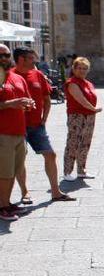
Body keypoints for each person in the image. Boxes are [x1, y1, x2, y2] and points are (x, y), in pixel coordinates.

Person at [11, 47, 74, 204]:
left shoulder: (38, 74)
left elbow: (46, 98)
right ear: (21, 59)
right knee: (20, 159)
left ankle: (55, 191)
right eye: (32, 58)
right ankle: (25, 192)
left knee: (50, 154)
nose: (36, 61)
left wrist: (44, 118)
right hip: (16, 126)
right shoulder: (9, 76)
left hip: (37, 125)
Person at [0, 44, 36, 221]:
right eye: (1, 55)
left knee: (14, 171)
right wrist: (9, 104)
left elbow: (27, 99)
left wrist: (29, 104)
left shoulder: (16, 78)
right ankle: (2, 206)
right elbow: (10, 103)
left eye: (6, 55)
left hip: (19, 132)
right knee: (4, 173)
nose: (4, 58)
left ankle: (6, 203)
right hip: (3, 133)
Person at [62, 57, 100, 182]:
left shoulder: (88, 83)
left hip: (89, 116)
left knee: (85, 142)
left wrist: (93, 110)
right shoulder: (72, 82)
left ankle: (81, 170)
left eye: (85, 68)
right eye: (79, 68)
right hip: (76, 116)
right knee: (73, 142)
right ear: (74, 68)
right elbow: (80, 99)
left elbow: (92, 97)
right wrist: (93, 109)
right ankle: (67, 171)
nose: (82, 71)